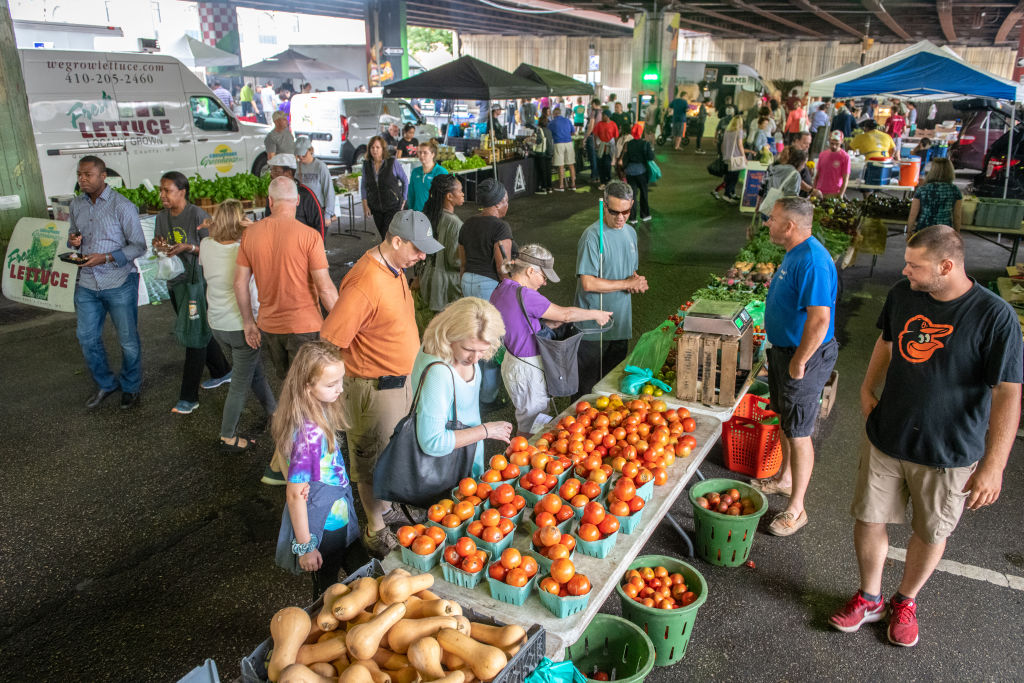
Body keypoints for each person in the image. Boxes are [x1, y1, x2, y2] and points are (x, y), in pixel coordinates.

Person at [829, 225, 1022, 646]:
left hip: (949, 450)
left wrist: (994, 465)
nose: (905, 270)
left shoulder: (995, 317)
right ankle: (870, 597)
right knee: (869, 516)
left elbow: (1008, 392)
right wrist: (866, 389)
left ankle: (905, 600)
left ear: (946, 267)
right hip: (888, 434)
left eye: (914, 265)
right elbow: (887, 341)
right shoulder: (904, 294)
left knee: (931, 532)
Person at [320, 210, 443, 557]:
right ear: (397, 241)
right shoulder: (365, 283)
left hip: (399, 384)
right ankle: (375, 530)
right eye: (417, 249)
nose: (422, 256)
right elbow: (329, 341)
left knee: (392, 455)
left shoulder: (395, 267)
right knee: (371, 463)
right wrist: (328, 396)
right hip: (373, 389)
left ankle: (387, 509)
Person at [235, 177, 338, 485]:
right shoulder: (309, 235)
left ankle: (286, 461)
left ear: (269, 202)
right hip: (305, 328)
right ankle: (294, 464)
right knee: (308, 397)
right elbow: (325, 288)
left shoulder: (251, 234)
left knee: (291, 391)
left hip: (270, 327)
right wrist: (344, 323)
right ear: (296, 201)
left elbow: (240, 284)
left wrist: (248, 322)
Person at [752, 197, 839, 537]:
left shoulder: (813, 261)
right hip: (784, 351)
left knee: (800, 431)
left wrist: (800, 361)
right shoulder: (795, 252)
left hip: (804, 356)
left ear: (789, 226)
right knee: (787, 421)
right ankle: (785, 479)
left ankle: (797, 509)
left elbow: (820, 320)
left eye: (772, 219)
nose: (767, 224)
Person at [272, 341, 370, 598]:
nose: (340, 389)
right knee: (328, 591)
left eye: (341, 380)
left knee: (363, 575)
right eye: (331, 384)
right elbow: (294, 494)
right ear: (308, 387)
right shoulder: (309, 435)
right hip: (327, 523)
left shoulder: (311, 410)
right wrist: (306, 547)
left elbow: (284, 458)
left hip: (338, 511)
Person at [491, 244, 611, 434]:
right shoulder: (527, 295)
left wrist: (546, 324)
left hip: (512, 361)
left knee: (527, 417)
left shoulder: (502, 288)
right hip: (528, 368)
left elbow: (519, 320)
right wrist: (596, 314)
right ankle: (522, 451)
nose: (545, 283)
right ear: (530, 271)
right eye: (544, 276)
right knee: (533, 423)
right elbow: (566, 315)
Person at [67, 156, 146, 410]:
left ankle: (131, 386)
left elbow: (139, 246)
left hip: (119, 281)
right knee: (87, 338)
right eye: (79, 174)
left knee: (127, 341)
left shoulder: (122, 206)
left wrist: (107, 257)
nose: (82, 179)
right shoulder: (76, 204)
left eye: (88, 174)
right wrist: (73, 242)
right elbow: (72, 236)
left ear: (103, 176)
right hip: (87, 284)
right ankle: (106, 383)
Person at [199, 200, 276, 451]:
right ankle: (228, 436)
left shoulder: (206, 245)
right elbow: (270, 243)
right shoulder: (242, 251)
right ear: (240, 221)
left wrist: (217, 225)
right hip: (242, 326)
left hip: (217, 324)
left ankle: (274, 412)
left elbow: (215, 235)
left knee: (253, 371)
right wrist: (252, 226)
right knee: (239, 384)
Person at [154, 171, 232, 415]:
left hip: (197, 284)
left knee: (193, 334)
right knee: (198, 329)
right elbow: (159, 242)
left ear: (182, 191)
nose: (162, 195)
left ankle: (188, 398)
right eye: (161, 190)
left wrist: (189, 247)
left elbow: (215, 247)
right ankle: (222, 371)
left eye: (167, 190)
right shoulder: (161, 217)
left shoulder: (197, 214)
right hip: (175, 282)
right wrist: (160, 247)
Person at [413, 297, 513, 476]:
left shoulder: (453, 351)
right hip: (447, 469)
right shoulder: (438, 373)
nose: (475, 359)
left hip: (466, 454)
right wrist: (486, 431)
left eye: (482, 351)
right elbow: (432, 442)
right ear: (449, 335)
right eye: (468, 349)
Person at [574, 182, 648, 396]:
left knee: (611, 390)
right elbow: (588, 283)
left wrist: (636, 281)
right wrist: (626, 284)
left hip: (620, 325)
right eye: (614, 212)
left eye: (626, 211)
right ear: (604, 206)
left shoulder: (631, 233)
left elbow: (629, 273)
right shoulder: (592, 236)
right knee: (586, 393)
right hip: (593, 329)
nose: (620, 218)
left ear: (631, 205)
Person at [457, 179, 513, 410]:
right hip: (488, 286)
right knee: (490, 343)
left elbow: (462, 262)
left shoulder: (467, 224)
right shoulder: (501, 227)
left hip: (467, 282)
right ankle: (488, 397)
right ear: (498, 203)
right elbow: (503, 267)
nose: (507, 204)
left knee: (473, 338)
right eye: (506, 200)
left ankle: (471, 393)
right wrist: (512, 292)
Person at [419, 174, 465, 312]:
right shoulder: (455, 224)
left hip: (427, 278)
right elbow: (455, 261)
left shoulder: (429, 215)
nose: (463, 194)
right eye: (460, 191)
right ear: (449, 196)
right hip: (447, 287)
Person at [361, 135, 409, 240]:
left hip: (392, 205)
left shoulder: (392, 162)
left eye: (377, 147)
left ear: (383, 149)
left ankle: (390, 250)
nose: (375, 150)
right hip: (375, 206)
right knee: (383, 235)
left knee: (387, 235)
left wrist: (404, 199)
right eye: (372, 147)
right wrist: (365, 204)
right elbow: (363, 185)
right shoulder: (366, 165)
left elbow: (405, 180)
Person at [268, 154, 325, 240]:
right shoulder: (272, 194)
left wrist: (318, 246)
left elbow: (319, 224)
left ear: (289, 173)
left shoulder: (306, 195)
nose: (271, 175)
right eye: (271, 170)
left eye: (276, 171)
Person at [907, 158, 961, 233]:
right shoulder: (955, 190)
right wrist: (957, 233)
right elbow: (957, 216)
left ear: (932, 171)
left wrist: (909, 232)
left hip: (924, 229)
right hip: (945, 231)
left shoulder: (922, 189)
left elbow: (913, 214)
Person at [296, 137, 335, 229]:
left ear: (311, 150)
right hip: (302, 212)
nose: (301, 157)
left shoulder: (320, 166)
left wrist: (328, 215)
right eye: (298, 155)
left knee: (318, 237)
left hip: (318, 211)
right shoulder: (297, 167)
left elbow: (329, 191)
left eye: (303, 154)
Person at [759, 148, 806, 219]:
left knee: (766, 225)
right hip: (779, 213)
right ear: (800, 163)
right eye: (804, 164)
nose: (804, 167)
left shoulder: (775, 167)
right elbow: (791, 197)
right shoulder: (795, 174)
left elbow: (764, 185)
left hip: (767, 207)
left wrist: (758, 203)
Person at [622, 129, 656, 222]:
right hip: (641, 172)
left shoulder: (628, 144)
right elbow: (651, 157)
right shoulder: (645, 144)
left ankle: (632, 218)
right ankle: (645, 215)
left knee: (632, 195)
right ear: (641, 133)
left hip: (630, 172)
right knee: (644, 193)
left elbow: (625, 157)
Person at [407, 139, 449, 212]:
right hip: (417, 212)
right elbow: (411, 194)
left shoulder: (441, 172)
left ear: (433, 154)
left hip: (434, 213)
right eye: (420, 152)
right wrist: (410, 211)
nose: (421, 155)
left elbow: (446, 196)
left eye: (425, 153)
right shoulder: (415, 172)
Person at [715, 115, 745, 203]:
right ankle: (727, 195)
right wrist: (744, 156)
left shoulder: (727, 131)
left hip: (727, 157)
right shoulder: (739, 132)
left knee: (729, 177)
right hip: (735, 158)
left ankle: (732, 193)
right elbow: (740, 145)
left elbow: (722, 144)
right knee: (734, 178)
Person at [812, 131, 851, 199]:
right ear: (829, 140)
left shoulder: (845, 157)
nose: (834, 146)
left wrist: (841, 194)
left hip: (834, 192)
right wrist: (813, 190)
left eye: (837, 144)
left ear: (841, 142)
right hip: (819, 191)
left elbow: (846, 178)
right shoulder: (822, 154)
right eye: (832, 143)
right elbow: (817, 175)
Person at [549, 107, 577, 192]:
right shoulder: (567, 120)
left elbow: (549, 134)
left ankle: (561, 186)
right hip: (569, 143)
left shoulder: (552, 122)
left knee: (561, 165)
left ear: (554, 114)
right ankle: (573, 184)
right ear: (560, 113)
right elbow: (573, 132)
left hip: (558, 143)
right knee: (571, 164)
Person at [592, 111, 619, 189]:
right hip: (601, 148)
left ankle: (608, 180)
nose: (602, 117)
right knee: (600, 165)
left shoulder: (613, 124)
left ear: (607, 116)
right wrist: (596, 144)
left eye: (603, 115)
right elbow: (595, 134)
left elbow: (616, 136)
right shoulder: (599, 124)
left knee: (607, 165)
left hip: (609, 148)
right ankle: (602, 182)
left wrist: (615, 147)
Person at [531, 113, 554, 195]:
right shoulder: (549, 131)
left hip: (542, 153)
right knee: (548, 171)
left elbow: (539, 141)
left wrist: (531, 140)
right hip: (549, 152)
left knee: (542, 171)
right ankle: (549, 187)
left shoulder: (539, 130)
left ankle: (543, 188)